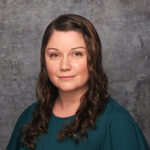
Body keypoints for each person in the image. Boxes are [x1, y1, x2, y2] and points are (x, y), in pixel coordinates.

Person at [7, 14, 149, 150]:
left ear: (93, 58)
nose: (64, 66)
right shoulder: (29, 117)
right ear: (44, 60)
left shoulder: (117, 124)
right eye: (55, 55)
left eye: (77, 54)